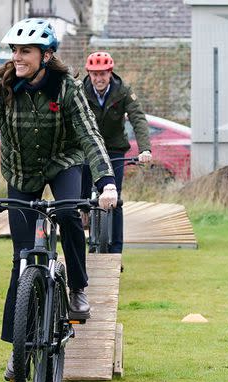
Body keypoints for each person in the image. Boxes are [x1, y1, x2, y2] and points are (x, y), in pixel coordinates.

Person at [0, 19, 118, 380]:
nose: (18, 57)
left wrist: (106, 181)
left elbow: (90, 136)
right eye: (14, 51)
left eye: (26, 52)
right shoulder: (5, 87)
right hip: (21, 171)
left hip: (63, 162)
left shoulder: (66, 87)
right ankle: (19, 350)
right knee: (21, 259)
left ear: (46, 56)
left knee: (67, 214)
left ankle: (77, 285)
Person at [81, 51, 152, 254]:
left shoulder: (123, 91)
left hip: (114, 148)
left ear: (110, 73)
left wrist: (145, 148)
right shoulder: (80, 91)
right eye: (94, 74)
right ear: (89, 74)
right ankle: (84, 213)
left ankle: (116, 250)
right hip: (87, 146)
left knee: (115, 198)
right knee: (81, 195)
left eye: (103, 73)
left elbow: (138, 118)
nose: (98, 78)